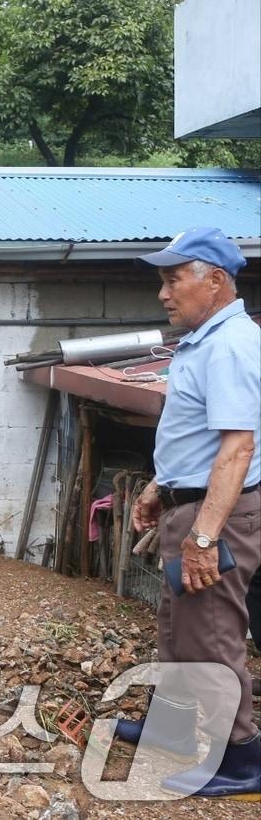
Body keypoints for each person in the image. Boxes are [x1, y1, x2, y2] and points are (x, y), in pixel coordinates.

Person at [123, 227, 260, 797]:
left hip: (217, 515)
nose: (164, 293)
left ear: (217, 281)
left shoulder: (232, 345)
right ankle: (173, 731)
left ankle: (243, 758)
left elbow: (238, 446)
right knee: (178, 630)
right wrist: (159, 486)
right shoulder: (205, 340)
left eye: (174, 278)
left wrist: (203, 538)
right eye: (163, 280)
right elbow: (197, 440)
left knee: (210, 635)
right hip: (192, 506)